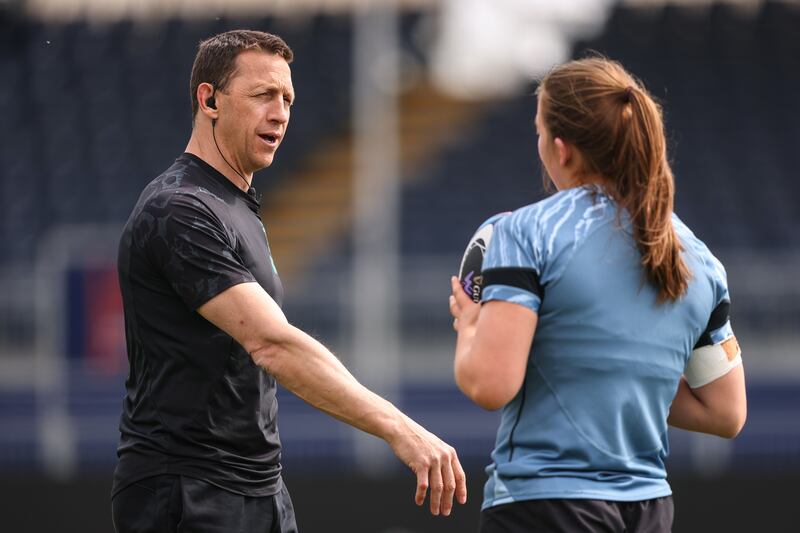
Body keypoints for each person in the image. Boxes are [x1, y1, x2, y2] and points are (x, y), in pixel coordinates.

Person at [112, 29, 466, 533]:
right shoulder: (179, 208)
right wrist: (398, 428)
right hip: (186, 489)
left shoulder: (238, 207)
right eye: (262, 95)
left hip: (258, 488)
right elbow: (272, 343)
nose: (280, 113)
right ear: (209, 99)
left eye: (287, 99)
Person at [449, 56, 747, 532]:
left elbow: (489, 384)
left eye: (539, 132)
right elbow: (726, 412)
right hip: (650, 510)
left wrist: (470, 325)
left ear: (561, 149)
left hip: (543, 504)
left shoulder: (522, 233)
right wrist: (611, 371)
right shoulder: (699, 259)